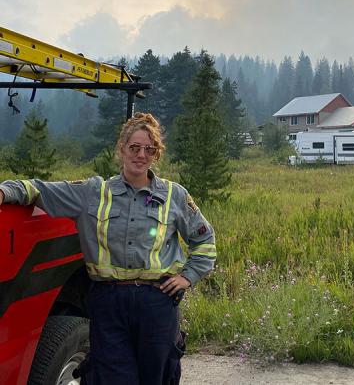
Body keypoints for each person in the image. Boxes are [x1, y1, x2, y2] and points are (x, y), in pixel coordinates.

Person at [0, 112, 216, 384]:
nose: (141, 155)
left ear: (156, 154)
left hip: (157, 302)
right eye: (134, 148)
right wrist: (4, 192)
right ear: (122, 149)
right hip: (108, 302)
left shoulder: (175, 195)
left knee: (158, 377)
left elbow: (205, 239)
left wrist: (188, 276)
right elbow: (37, 190)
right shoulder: (93, 192)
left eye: (149, 149)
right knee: (112, 377)